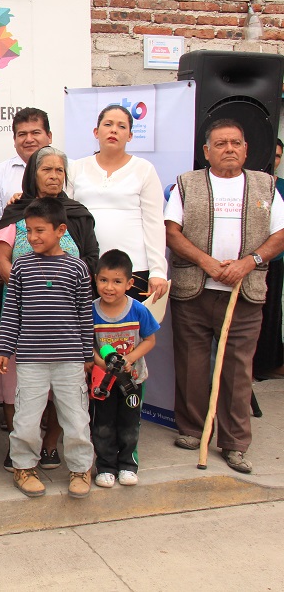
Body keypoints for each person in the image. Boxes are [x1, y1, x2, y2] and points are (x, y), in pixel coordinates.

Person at [164, 118, 284, 474]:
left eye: (235, 143)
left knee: (237, 370)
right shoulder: (187, 184)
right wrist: (209, 264)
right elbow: (172, 232)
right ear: (206, 151)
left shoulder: (267, 186)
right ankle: (192, 430)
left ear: (246, 149)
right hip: (195, 291)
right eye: (220, 144)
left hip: (244, 294)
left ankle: (234, 443)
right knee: (192, 365)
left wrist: (249, 262)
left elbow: (279, 235)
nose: (228, 149)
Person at [0, 146, 99, 470]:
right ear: (32, 174)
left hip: (66, 322)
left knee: (68, 397)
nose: (54, 176)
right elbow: (1, 257)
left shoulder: (76, 213)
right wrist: (30, 283)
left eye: (59, 171)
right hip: (26, 321)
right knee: (24, 390)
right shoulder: (16, 212)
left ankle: (51, 446)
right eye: (46, 170)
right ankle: (22, 452)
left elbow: (90, 260)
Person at [70, 104, 168, 302]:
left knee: (129, 332)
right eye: (108, 124)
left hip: (133, 270)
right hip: (86, 269)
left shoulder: (144, 169)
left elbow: (154, 222)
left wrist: (158, 271)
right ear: (96, 132)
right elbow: (63, 215)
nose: (114, 130)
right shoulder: (75, 168)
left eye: (122, 126)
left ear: (130, 135)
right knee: (88, 332)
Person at [90, 249, 159, 489]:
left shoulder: (138, 310)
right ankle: (106, 466)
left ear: (129, 283)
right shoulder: (91, 311)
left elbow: (150, 340)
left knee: (130, 423)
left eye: (117, 281)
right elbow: (87, 345)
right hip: (104, 384)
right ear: (95, 279)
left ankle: (128, 465)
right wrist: (100, 362)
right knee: (103, 424)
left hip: (134, 381)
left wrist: (130, 358)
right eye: (104, 280)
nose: (109, 287)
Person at [0, 107, 53, 231]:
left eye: (35, 132)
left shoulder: (69, 168)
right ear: (14, 140)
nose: (29, 139)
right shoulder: (0, 172)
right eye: (22, 134)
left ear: (49, 136)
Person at [253, 137, 284, 380]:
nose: (274, 160)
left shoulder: (280, 186)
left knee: (271, 314)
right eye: (271, 154)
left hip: (274, 260)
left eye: (278, 156)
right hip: (250, 262)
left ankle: (268, 363)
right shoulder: (253, 183)